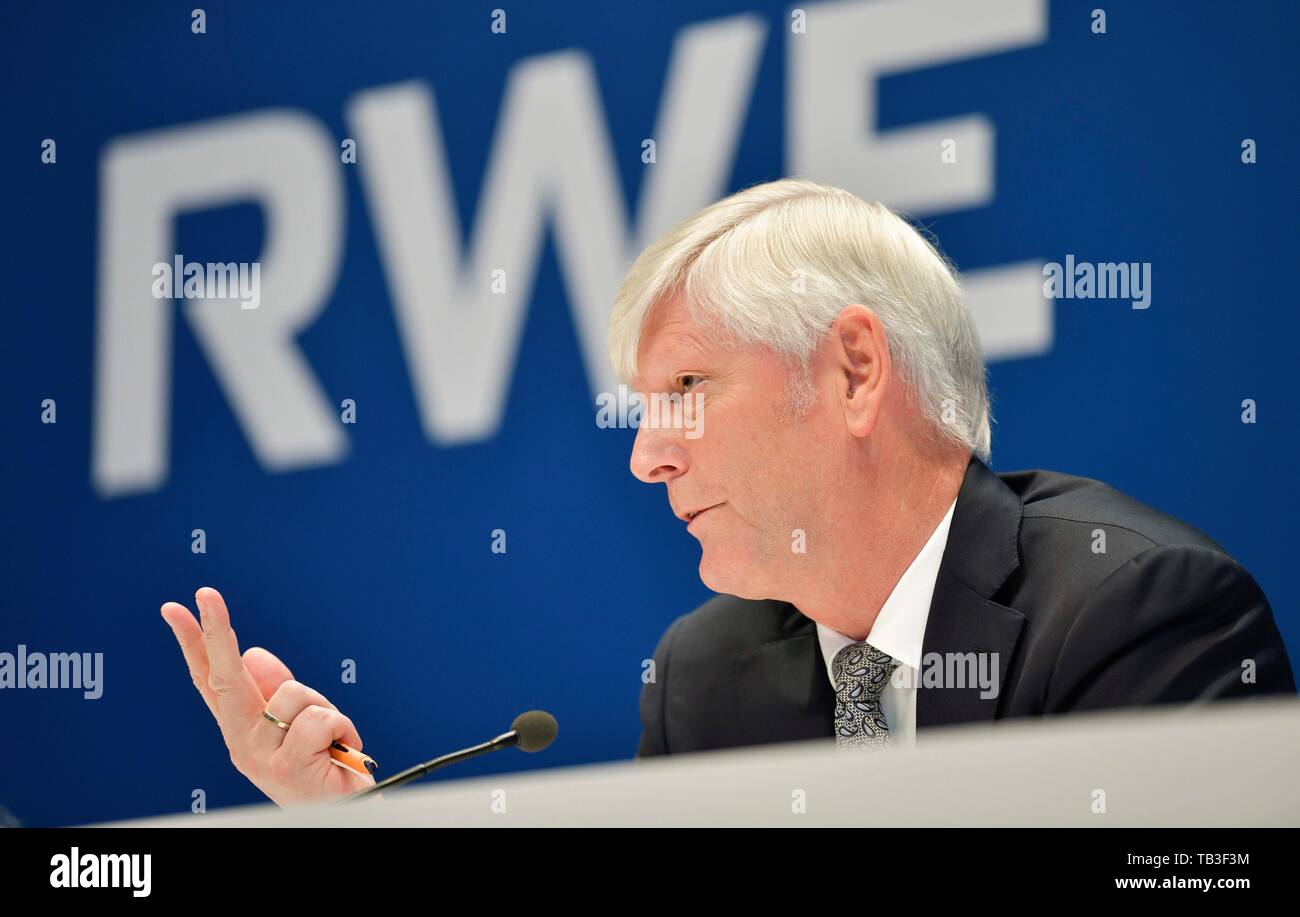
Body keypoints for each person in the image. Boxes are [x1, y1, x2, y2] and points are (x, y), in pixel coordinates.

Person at [161, 178, 1295, 803]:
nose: (646, 455)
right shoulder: (707, 678)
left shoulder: (1137, 613)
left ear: (854, 371)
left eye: (687, 387)